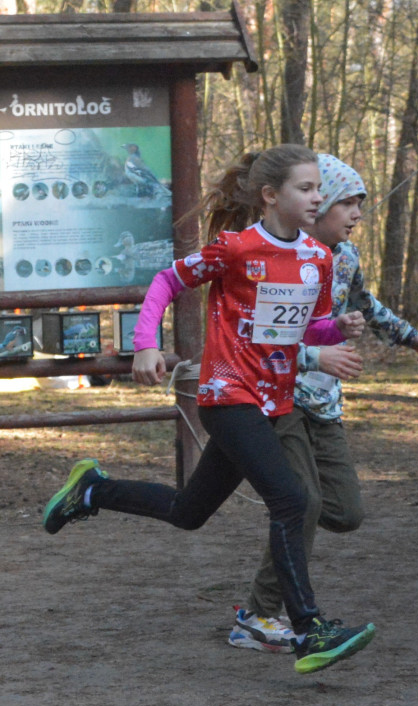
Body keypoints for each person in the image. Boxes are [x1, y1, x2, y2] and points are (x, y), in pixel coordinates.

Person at [42, 144, 376, 675]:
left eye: (319, 189)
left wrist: (339, 328)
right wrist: (146, 343)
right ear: (271, 196)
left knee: (189, 512)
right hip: (227, 396)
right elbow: (167, 280)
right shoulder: (236, 249)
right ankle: (309, 629)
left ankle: (91, 490)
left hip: (275, 399)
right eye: (306, 189)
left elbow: (301, 330)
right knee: (292, 501)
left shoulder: (319, 259)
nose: (318, 198)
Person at [227, 153, 418, 654]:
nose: (356, 213)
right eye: (347, 202)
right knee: (302, 503)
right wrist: (314, 355)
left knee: (344, 512)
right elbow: (258, 340)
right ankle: (259, 615)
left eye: (359, 204)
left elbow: (365, 304)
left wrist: (412, 339)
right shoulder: (271, 257)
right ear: (315, 203)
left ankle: (288, 532)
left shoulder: (344, 258)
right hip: (278, 395)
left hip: (324, 400)